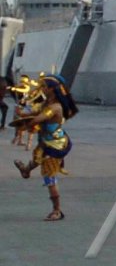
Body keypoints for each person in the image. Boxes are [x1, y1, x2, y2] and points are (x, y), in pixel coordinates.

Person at [13, 74, 78, 220]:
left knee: (49, 177)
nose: (42, 89)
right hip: (46, 141)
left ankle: (57, 210)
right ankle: (26, 170)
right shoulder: (47, 104)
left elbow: (38, 118)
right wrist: (21, 114)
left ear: (52, 89)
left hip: (55, 145)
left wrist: (25, 125)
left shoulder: (55, 108)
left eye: (45, 87)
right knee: (37, 157)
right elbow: (35, 113)